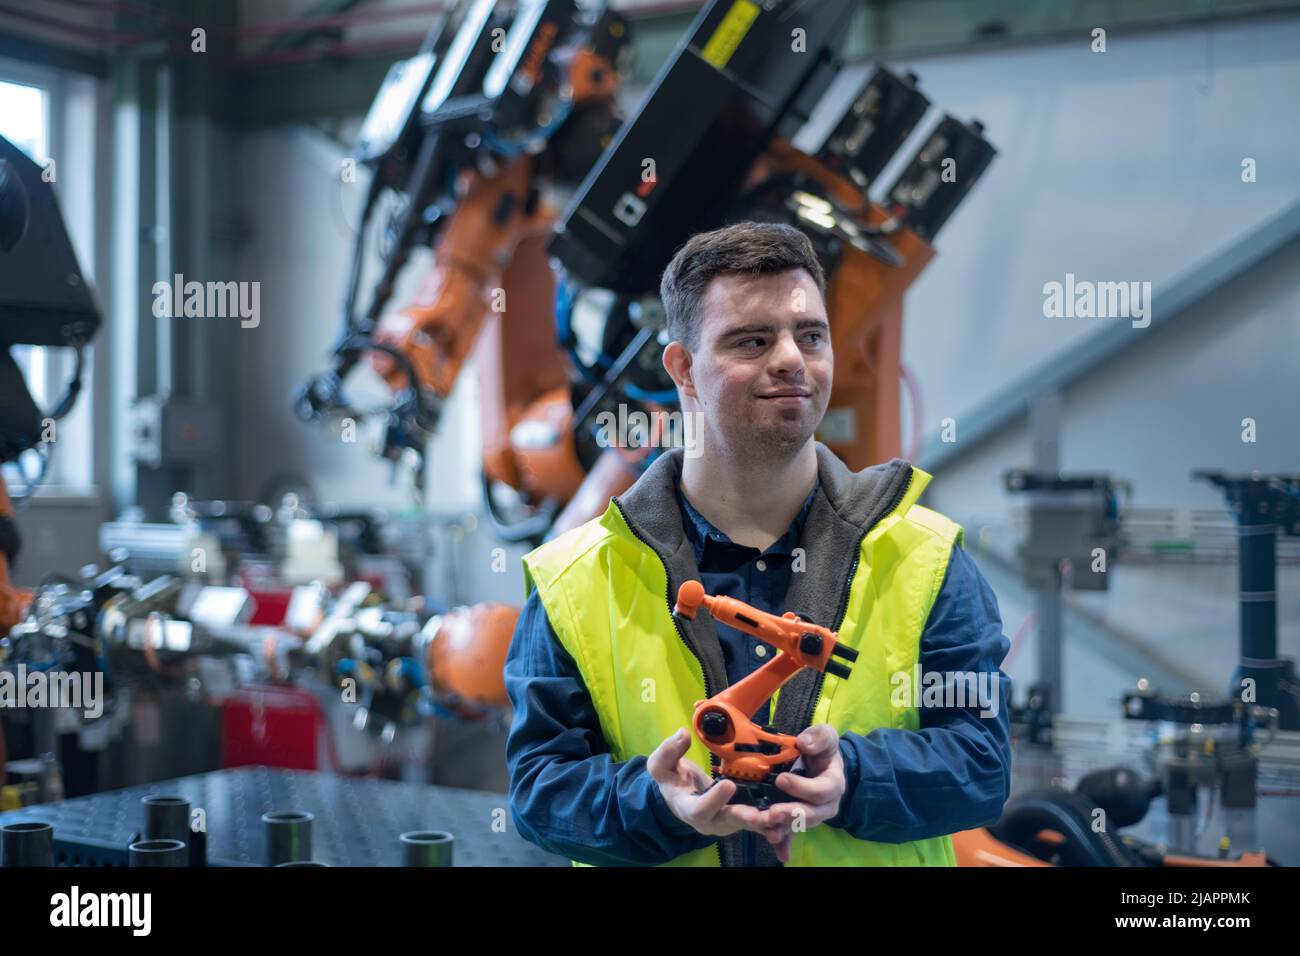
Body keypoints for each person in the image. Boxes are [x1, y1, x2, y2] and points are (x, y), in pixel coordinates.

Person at [505, 221, 1012, 866]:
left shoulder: (926, 558)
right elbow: (537, 789)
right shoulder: (574, 579)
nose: (792, 359)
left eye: (811, 336)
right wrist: (655, 805)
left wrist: (854, 778)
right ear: (683, 369)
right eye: (752, 340)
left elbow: (983, 762)